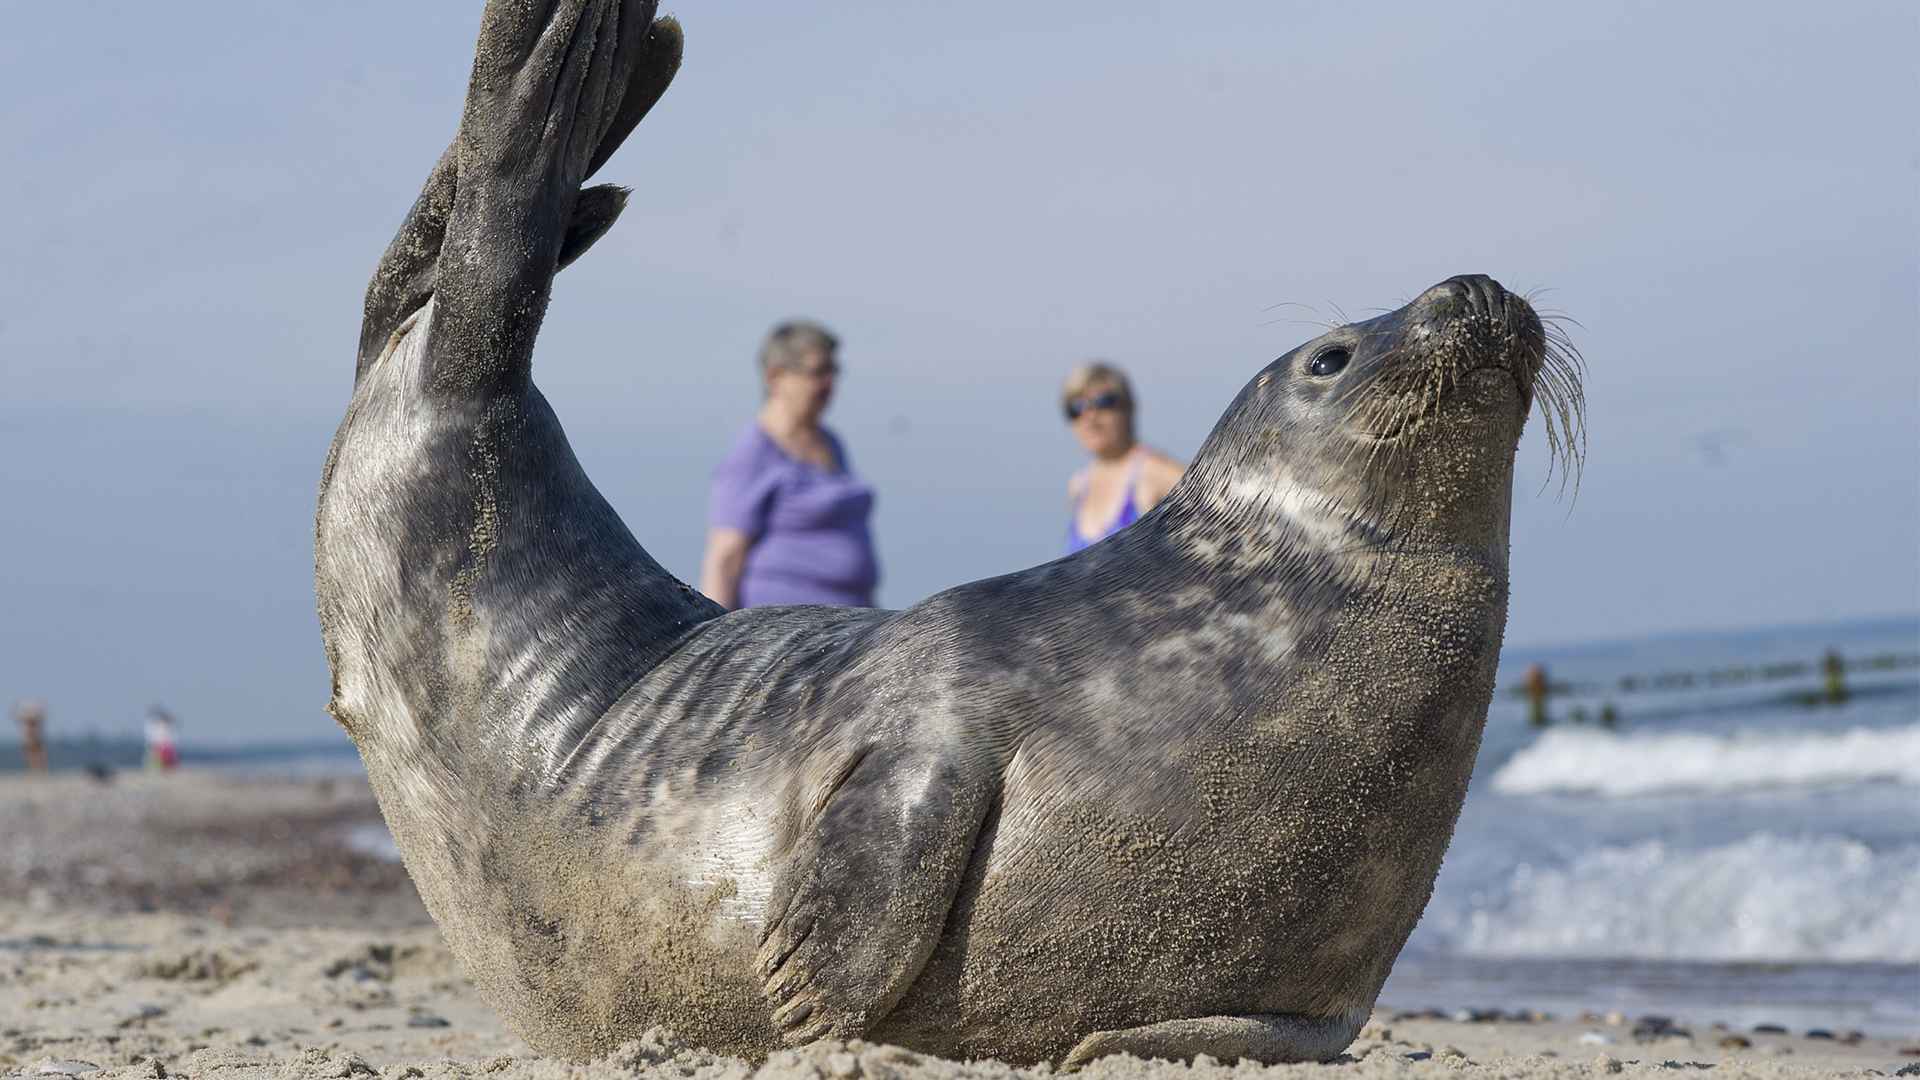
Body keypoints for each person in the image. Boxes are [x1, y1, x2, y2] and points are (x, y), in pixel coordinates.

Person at [699, 320, 879, 609]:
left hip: (853, 622)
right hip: (789, 633)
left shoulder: (830, 442)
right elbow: (725, 556)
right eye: (818, 372)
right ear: (775, 377)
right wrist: (714, 636)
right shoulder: (754, 453)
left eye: (833, 372)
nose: (829, 384)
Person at [1060, 361, 1184, 553]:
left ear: (1129, 407)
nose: (1090, 417)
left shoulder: (1156, 473)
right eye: (1076, 409)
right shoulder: (1078, 486)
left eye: (1104, 402)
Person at [13, 699, 48, 773]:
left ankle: (40, 769)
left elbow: (42, 716)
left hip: (34, 739)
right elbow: (17, 717)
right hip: (29, 739)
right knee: (30, 755)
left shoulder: (34, 720)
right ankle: (35, 769)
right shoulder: (29, 720)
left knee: (38, 754)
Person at [145, 705, 180, 771]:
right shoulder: (155, 725)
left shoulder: (165, 726)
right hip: (159, 748)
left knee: (167, 765)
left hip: (165, 748)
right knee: (156, 763)